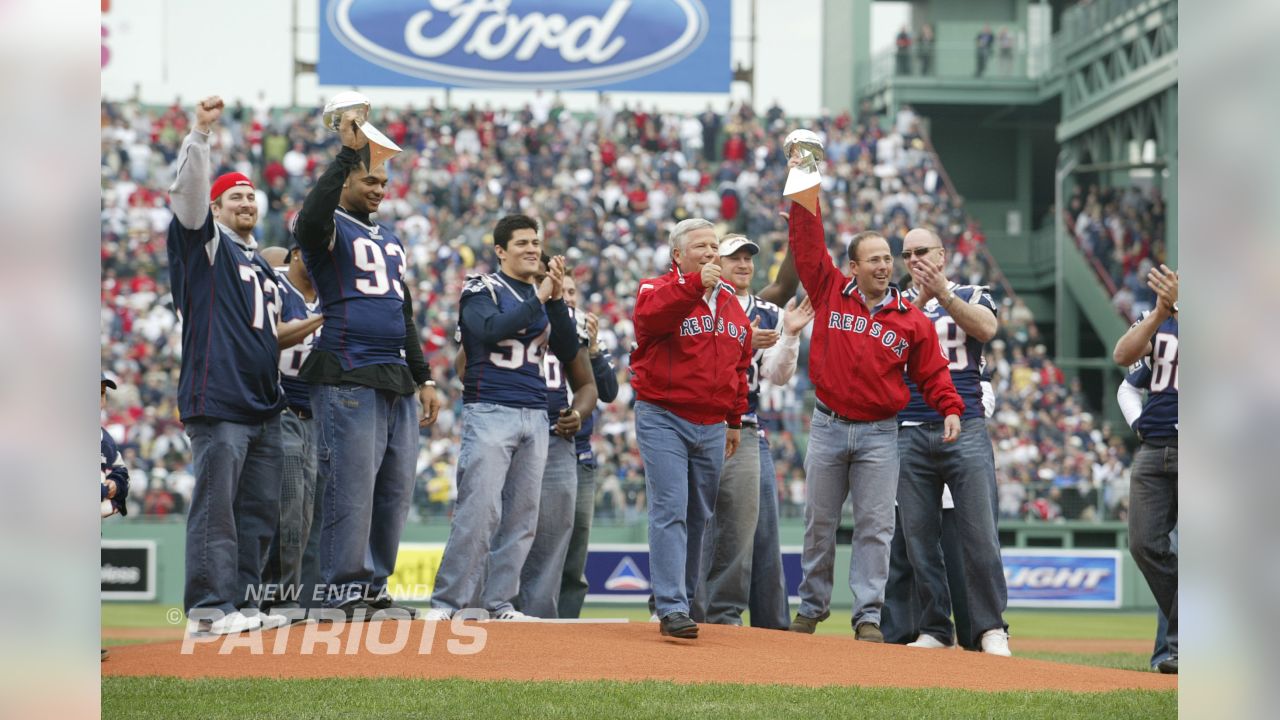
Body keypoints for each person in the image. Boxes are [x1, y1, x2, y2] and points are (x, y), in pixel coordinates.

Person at [785, 198, 963, 642]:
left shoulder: (911, 319)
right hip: (827, 425)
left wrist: (951, 408)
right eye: (875, 259)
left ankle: (868, 616)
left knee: (875, 528)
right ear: (852, 267)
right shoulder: (828, 290)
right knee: (819, 522)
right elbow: (808, 247)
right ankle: (811, 607)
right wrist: (805, 184)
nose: (885, 266)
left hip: (881, 433)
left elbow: (933, 372)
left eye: (888, 258)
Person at [294, 110, 441, 619]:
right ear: (344, 183)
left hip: (394, 376)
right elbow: (309, 218)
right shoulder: (327, 225)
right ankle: (341, 589)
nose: (379, 188)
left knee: (393, 492)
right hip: (345, 371)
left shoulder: (390, 239)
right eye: (369, 180)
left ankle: (374, 585)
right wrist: (343, 154)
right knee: (350, 488)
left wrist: (423, 375)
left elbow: (403, 312)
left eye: (383, 181)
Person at [167, 97, 286, 636]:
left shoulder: (258, 264)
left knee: (257, 512)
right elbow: (188, 200)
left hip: (262, 403)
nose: (244, 200)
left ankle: (240, 602)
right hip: (219, 397)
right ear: (214, 209)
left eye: (249, 194)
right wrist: (201, 137)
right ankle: (209, 610)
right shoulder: (206, 244)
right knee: (217, 507)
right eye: (232, 195)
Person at [427, 216, 579, 621]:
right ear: (500, 250)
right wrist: (540, 298)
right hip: (491, 407)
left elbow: (567, 348)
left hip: (536, 412)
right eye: (522, 243)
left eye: (536, 241)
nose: (532, 248)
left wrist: (557, 300)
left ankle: (499, 602)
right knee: (480, 512)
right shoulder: (482, 286)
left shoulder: (542, 292)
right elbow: (490, 329)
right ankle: (449, 603)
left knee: (522, 517)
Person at [631, 218, 753, 639]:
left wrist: (735, 417)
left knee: (699, 515)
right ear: (677, 255)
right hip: (664, 414)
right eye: (700, 246)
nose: (710, 252)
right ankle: (671, 606)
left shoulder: (732, 302)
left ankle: (681, 601)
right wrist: (694, 285)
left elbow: (740, 366)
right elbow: (651, 319)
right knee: (670, 508)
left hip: (713, 422)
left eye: (714, 245)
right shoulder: (656, 288)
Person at [892, 227, 1011, 656]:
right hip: (909, 427)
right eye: (907, 254)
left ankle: (991, 627)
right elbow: (883, 348)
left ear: (942, 255)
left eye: (922, 251)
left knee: (979, 532)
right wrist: (920, 299)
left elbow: (986, 328)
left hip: (966, 423)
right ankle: (936, 627)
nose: (914, 260)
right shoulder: (897, 304)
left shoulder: (973, 292)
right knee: (919, 537)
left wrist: (942, 293)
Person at [692, 234, 806, 628]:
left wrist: (789, 335)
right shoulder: (701, 303)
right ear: (714, 264)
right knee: (693, 524)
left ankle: (731, 617)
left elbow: (776, 374)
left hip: (747, 426)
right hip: (698, 424)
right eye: (733, 258)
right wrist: (740, 339)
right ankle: (678, 606)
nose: (742, 264)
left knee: (745, 532)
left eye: (747, 258)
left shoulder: (766, 310)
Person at [518, 269, 600, 619]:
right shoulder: (507, 310)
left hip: (564, 441)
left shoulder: (575, 327)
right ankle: (490, 608)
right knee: (507, 527)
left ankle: (551, 624)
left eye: (569, 290)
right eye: (555, 287)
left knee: (562, 541)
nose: (564, 295)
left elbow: (597, 388)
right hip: (517, 431)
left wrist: (579, 414)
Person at [1113, 267, 1179, 674]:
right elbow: (1122, 357)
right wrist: (1158, 313)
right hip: (1155, 447)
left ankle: (1179, 648)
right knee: (1143, 544)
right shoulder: (1163, 320)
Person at [261, 239, 324, 619]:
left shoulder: (330, 294)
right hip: (281, 407)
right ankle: (275, 597)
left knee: (306, 514)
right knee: (287, 507)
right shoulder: (277, 286)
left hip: (314, 414)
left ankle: (295, 597)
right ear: (296, 255)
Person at [558, 281, 620, 619]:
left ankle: (567, 623)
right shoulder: (540, 327)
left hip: (579, 452)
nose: (568, 297)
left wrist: (594, 348)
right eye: (562, 291)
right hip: (543, 447)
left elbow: (609, 391)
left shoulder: (586, 330)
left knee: (577, 541)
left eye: (572, 292)